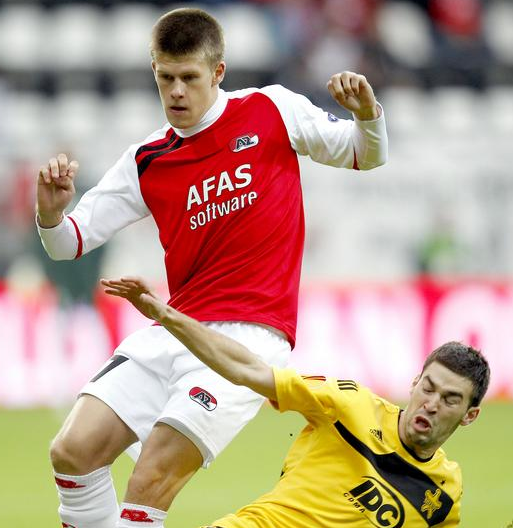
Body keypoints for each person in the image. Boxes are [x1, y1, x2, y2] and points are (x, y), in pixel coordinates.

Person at [36, 7, 388, 528]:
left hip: (247, 338)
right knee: (72, 451)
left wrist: (367, 115)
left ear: (218, 72)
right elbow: (68, 243)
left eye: (189, 78)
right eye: (165, 78)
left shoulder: (272, 109)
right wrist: (49, 214)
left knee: (151, 477)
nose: (176, 92)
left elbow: (365, 154)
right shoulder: (146, 160)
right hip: (174, 327)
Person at [102, 276, 490, 528]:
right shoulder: (350, 404)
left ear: (469, 415)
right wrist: (167, 315)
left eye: (449, 399)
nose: (431, 404)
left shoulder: (444, 495)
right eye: (428, 388)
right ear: (415, 382)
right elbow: (246, 369)